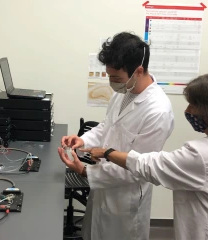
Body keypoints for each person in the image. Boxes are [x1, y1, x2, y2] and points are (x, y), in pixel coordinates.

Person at [59, 72, 208, 240]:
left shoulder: (202, 153)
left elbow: (148, 164)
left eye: (193, 105)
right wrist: (85, 141)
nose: (188, 110)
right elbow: (108, 126)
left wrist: (105, 154)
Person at [60, 32, 174, 240]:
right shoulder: (125, 92)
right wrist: (83, 140)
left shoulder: (158, 112)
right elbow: (107, 127)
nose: (112, 82)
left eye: (116, 78)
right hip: (103, 189)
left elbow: (137, 168)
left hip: (126, 199)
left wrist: (86, 171)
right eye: (109, 76)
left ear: (138, 71)